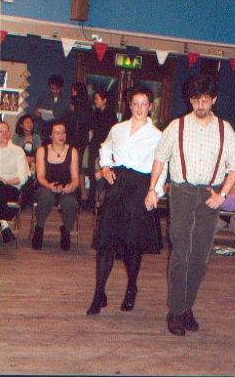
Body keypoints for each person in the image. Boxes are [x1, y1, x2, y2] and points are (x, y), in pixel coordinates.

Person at [145, 74, 235, 336]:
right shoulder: (175, 127)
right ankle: (175, 311)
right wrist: (153, 190)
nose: (201, 105)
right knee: (180, 253)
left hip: (210, 195)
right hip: (182, 191)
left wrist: (222, 194)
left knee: (200, 256)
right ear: (190, 101)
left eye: (206, 100)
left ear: (214, 100)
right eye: (197, 100)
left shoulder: (225, 130)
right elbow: (160, 159)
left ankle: (187, 306)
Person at [87, 86, 167, 316]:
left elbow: (162, 167)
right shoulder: (118, 128)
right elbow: (105, 148)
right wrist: (105, 166)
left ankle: (131, 288)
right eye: (136, 103)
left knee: (132, 245)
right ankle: (98, 295)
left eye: (144, 103)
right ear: (129, 105)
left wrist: (155, 192)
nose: (140, 108)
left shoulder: (157, 136)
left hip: (141, 188)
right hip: (118, 185)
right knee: (106, 243)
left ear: (150, 106)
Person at [31, 121, 79, 251]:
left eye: (63, 132)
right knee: (47, 198)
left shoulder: (72, 151)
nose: (61, 135)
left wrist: (72, 186)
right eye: (57, 133)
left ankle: (66, 230)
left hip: (66, 187)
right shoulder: (42, 150)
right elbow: (40, 176)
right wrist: (49, 186)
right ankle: (39, 228)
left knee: (70, 202)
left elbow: (75, 178)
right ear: (51, 136)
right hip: (46, 186)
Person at [87, 90, 117, 211]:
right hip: (95, 145)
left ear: (104, 100)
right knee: (92, 173)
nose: (95, 101)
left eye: (97, 99)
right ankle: (91, 201)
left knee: (102, 175)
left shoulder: (111, 114)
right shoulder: (96, 113)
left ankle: (102, 202)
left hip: (105, 148)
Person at [64, 82, 92, 206]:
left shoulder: (74, 103)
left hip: (73, 139)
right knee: (78, 167)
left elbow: (71, 121)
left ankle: (76, 193)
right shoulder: (88, 105)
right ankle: (82, 194)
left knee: (73, 167)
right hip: (82, 140)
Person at [0, 121, 28, 243]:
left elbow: (23, 176)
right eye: (1, 131)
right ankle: (4, 223)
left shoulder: (18, 151)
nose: (4, 134)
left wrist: (6, 182)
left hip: (11, 188)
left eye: (7, 131)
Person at [12, 114, 42, 207]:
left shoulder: (36, 137)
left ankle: (26, 200)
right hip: (19, 163)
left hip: (33, 164)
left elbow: (40, 154)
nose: (30, 124)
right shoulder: (16, 137)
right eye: (27, 122)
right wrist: (23, 160)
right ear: (21, 125)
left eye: (31, 122)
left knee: (31, 176)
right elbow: (13, 153)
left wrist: (32, 159)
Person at [34, 75, 69, 142]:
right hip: (44, 132)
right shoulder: (43, 98)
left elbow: (67, 118)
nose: (54, 91)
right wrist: (37, 114)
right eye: (52, 88)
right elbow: (35, 118)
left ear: (61, 88)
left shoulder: (66, 100)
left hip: (58, 133)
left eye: (57, 89)